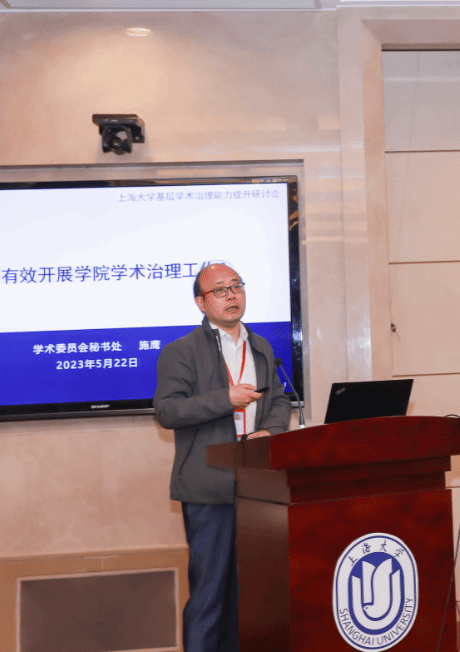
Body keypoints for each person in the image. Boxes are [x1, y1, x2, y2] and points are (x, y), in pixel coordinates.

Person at [155, 262, 290, 652]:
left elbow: (278, 401)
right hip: (209, 488)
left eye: (236, 286)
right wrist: (225, 399)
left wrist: (271, 430)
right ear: (202, 303)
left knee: (250, 595)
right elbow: (168, 411)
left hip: (257, 486)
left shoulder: (261, 346)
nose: (231, 295)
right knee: (210, 595)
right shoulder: (181, 351)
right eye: (220, 290)